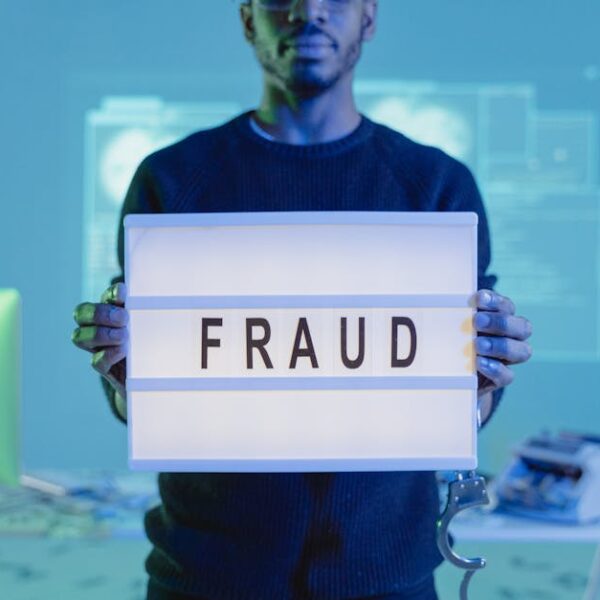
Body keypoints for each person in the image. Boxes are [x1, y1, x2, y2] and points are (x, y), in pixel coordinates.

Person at [72, 0, 533, 598]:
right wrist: (124, 374)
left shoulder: (436, 186)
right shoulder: (173, 178)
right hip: (205, 577)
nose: (308, 12)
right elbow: (141, 399)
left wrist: (483, 382)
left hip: (385, 578)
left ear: (368, 18)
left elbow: (470, 399)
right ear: (247, 20)